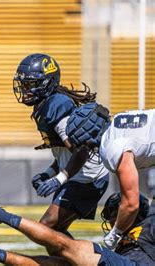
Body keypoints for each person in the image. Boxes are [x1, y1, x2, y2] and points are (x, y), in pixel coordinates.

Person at [13, 53, 109, 241]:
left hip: (87, 179)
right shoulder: (47, 104)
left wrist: (59, 179)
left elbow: (81, 151)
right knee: (55, 234)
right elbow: (64, 153)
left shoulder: (56, 106)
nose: (25, 89)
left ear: (47, 83)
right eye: (24, 84)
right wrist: (49, 173)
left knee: (46, 229)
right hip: (79, 176)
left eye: (30, 84)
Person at [0, 188, 154, 265]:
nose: (112, 221)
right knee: (58, 263)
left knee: (68, 246)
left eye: (113, 213)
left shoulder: (150, 223)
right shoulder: (126, 237)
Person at [66, 103, 155, 250]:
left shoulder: (111, 147)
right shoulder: (118, 120)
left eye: (83, 143)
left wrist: (115, 233)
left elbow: (131, 204)